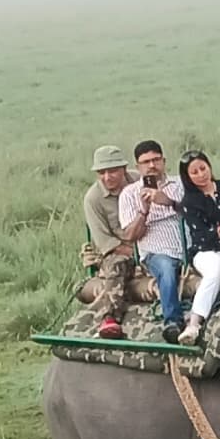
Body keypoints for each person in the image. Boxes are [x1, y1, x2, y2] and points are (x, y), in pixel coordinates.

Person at [118, 140, 194, 331]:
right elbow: (131, 235)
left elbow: (197, 212)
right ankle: (173, 321)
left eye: (156, 160)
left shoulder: (181, 184)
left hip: (190, 246)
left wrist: (168, 201)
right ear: (138, 167)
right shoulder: (129, 194)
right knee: (167, 270)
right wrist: (144, 211)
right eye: (146, 162)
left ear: (164, 161)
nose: (152, 166)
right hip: (157, 252)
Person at [77, 144, 144, 337]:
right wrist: (138, 256)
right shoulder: (93, 199)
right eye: (102, 172)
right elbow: (106, 243)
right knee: (116, 266)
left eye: (113, 171)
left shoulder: (140, 181)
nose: (107, 177)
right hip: (121, 251)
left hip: (154, 243)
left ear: (124, 168)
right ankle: (109, 318)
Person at [176, 146, 220, 320]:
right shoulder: (189, 202)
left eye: (203, 168)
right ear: (187, 177)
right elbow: (200, 236)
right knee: (217, 268)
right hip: (206, 249)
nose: (201, 174)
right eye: (194, 172)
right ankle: (196, 319)